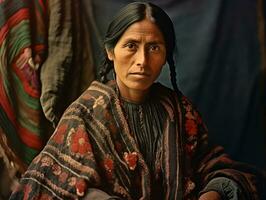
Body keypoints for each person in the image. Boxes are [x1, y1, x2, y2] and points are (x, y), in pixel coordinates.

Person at [9, 2, 265, 200]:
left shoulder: (178, 109)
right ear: (111, 52)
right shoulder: (86, 113)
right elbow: (49, 184)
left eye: (154, 47)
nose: (142, 60)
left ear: (166, 56)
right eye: (131, 46)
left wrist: (213, 193)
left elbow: (217, 166)